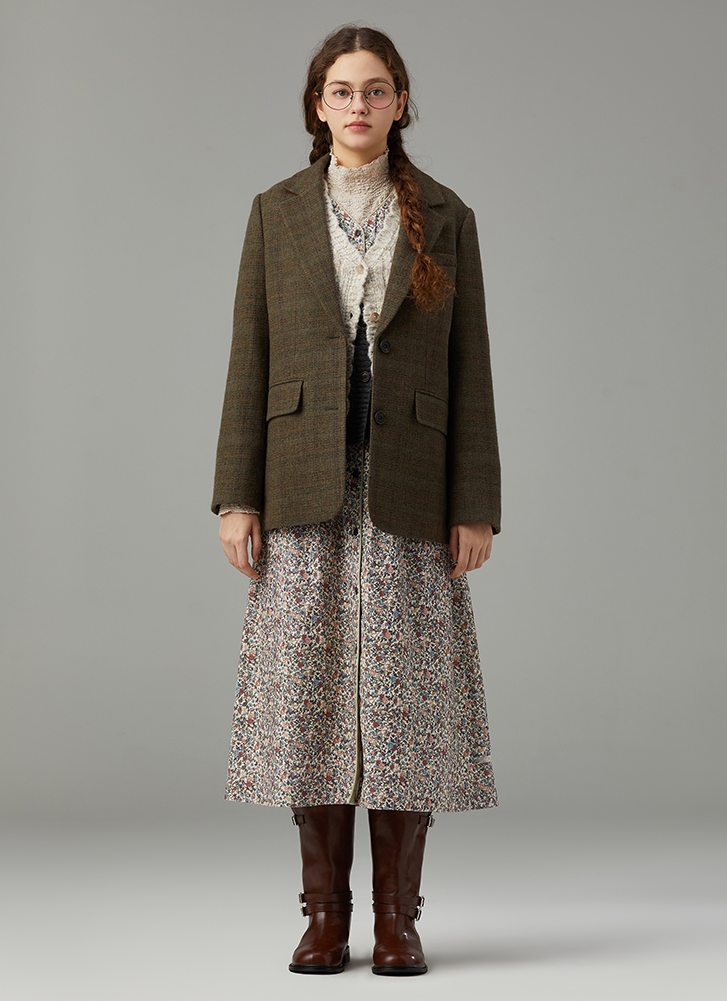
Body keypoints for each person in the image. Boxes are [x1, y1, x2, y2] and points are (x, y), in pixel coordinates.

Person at [212, 24, 501, 976]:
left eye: (375, 90)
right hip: (301, 477)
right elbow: (249, 357)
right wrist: (235, 495)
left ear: (400, 103)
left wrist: (475, 501)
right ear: (317, 105)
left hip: (411, 480)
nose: (358, 106)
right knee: (310, 694)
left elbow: (470, 369)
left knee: (406, 697)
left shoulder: (446, 215)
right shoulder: (276, 211)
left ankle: (397, 919)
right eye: (341, 91)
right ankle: (324, 917)